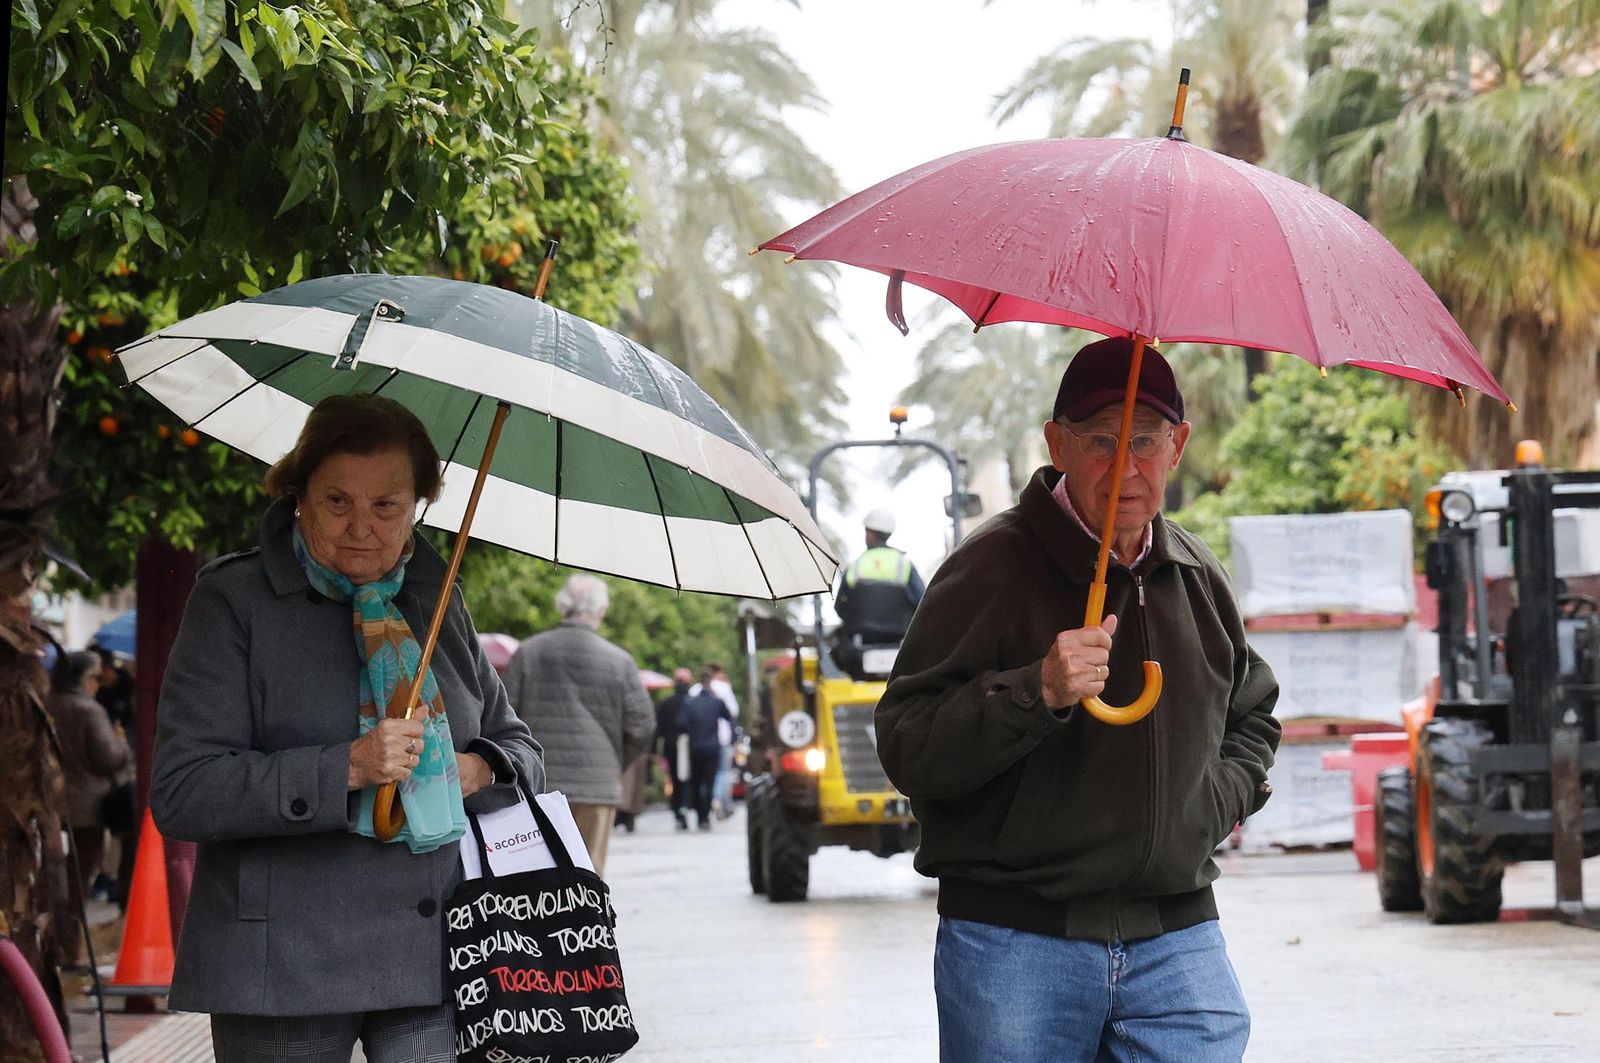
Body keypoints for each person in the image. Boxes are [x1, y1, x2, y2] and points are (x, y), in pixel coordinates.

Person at [875, 336, 1281, 1063]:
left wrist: (1210, 804)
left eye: (1147, 441)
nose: (1126, 468)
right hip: (1016, 942)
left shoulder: (1195, 574)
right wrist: (1037, 690)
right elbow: (909, 742)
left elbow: (1252, 713)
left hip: (1177, 938)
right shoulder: (987, 568)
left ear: (1179, 445)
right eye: (1101, 440)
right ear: (1057, 444)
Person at [149, 393, 541, 1063]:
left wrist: (474, 766)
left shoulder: (436, 598)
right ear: (298, 494)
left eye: (387, 505)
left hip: (436, 959)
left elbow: (521, 749)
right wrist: (349, 767)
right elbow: (184, 789)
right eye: (338, 502)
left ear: (417, 505)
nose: (362, 526)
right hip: (282, 972)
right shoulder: (233, 601)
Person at [503, 574, 655, 875]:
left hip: (538, 787)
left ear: (562, 606)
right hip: (596, 788)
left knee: (538, 879)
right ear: (601, 610)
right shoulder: (620, 661)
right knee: (588, 877)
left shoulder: (528, 653)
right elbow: (643, 725)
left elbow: (504, 717)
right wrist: (614, 762)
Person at [46, 649, 132, 960]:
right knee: (77, 882)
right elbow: (108, 758)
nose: (100, 684)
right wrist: (121, 741)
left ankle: (51, 947)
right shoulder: (89, 710)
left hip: (47, 806)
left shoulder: (45, 702)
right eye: (96, 678)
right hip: (87, 809)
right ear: (83, 679)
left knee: (51, 879)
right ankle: (67, 950)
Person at [833, 507, 925, 676]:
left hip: (859, 645)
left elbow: (839, 607)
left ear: (868, 531)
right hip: (900, 642)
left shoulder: (856, 566)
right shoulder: (903, 564)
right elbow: (923, 601)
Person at [671, 680, 734, 831]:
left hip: (695, 748)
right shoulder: (716, 702)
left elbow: (682, 725)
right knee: (710, 782)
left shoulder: (689, 704)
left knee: (696, 783)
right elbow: (729, 717)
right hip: (713, 748)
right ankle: (705, 816)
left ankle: (700, 814)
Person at [696, 662, 740, 819]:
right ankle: (715, 798)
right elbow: (733, 711)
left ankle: (712, 803)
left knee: (702, 775)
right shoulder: (724, 688)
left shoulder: (694, 690)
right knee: (722, 772)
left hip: (698, 739)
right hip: (721, 738)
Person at [654, 668, 697, 830]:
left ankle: (680, 811)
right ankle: (686, 810)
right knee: (684, 781)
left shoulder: (666, 703)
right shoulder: (692, 702)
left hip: (676, 747)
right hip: (684, 747)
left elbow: (658, 729)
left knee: (678, 781)